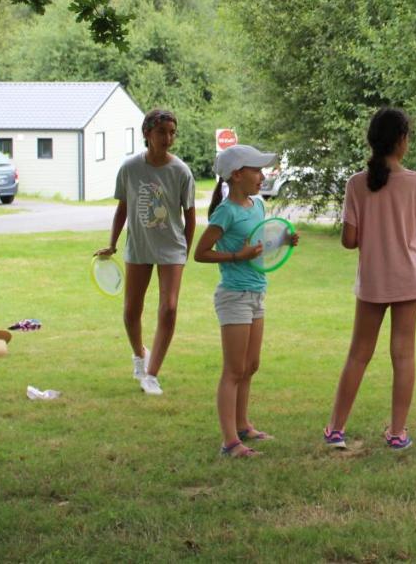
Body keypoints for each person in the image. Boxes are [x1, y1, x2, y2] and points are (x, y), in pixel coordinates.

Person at [323, 108, 416, 452]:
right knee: (403, 355)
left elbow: (349, 240)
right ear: (401, 140)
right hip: (409, 279)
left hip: (373, 281)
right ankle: (398, 433)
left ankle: (335, 430)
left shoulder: (356, 183)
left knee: (358, 354)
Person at [194, 144, 297, 458]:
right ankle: (230, 443)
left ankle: (242, 426)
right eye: (256, 170)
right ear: (237, 176)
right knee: (233, 369)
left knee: (251, 366)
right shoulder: (225, 211)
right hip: (234, 296)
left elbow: (260, 244)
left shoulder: (257, 206)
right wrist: (237, 255)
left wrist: (283, 240)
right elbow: (201, 253)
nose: (262, 176)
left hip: (256, 292)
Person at [95, 109, 196, 396]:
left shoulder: (181, 172)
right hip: (138, 247)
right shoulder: (130, 169)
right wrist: (113, 243)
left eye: (172, 132)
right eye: (162, 132)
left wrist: (184, 253)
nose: (168, 138)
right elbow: (122, 209)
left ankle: (152, 375)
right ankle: (139, 355)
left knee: (169, 308)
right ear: (147, 134)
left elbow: (190, 216)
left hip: (171, 249)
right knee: (131, 310)